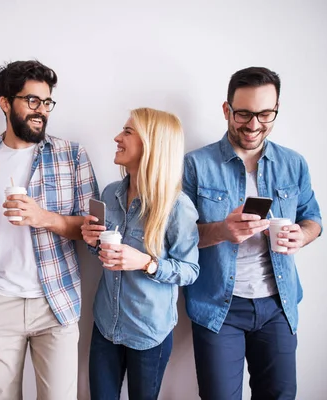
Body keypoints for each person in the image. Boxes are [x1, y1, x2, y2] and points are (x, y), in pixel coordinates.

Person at [183, 67, 323, 399]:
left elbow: (313, 218)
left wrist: (302, 236)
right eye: (244, 113)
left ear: (276, 111)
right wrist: (221, 231)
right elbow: (176, 239)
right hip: (219, 307)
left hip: (278, 305)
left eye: (265, 114)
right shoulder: (195, 165)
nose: (254, 124)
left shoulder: (294, 163)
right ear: (226, 110)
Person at [0, 60, 99, 400]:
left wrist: (44, 218)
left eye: (47, 102)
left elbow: (93, 229)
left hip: (55, 301)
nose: (41, 111)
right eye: (31, 101)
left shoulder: (72, 155)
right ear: (5, 103)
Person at [81, 107, 200, 400]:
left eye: (128, 132)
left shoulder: (177, 207)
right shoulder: (110, 194)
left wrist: (146, 262)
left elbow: (190, 271)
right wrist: (91, 239)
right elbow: (100, 249)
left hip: (149, 335)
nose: (117, 137)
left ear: (152, 144)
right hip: (106, 325)